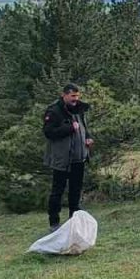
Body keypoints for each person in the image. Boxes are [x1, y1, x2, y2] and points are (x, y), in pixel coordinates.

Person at [42, 83, 93, 231]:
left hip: (79, 157)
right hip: (62, 159)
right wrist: (69, 128)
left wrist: (88, 138)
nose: (75, 99)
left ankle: (74, 220)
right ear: (64, 95)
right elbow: (48, 132)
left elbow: (84, 127)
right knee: (58, 190)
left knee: (76, 190)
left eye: (77, 96)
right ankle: (54, 222)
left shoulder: (79, 109)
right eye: (72, 96)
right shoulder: (54, 111)